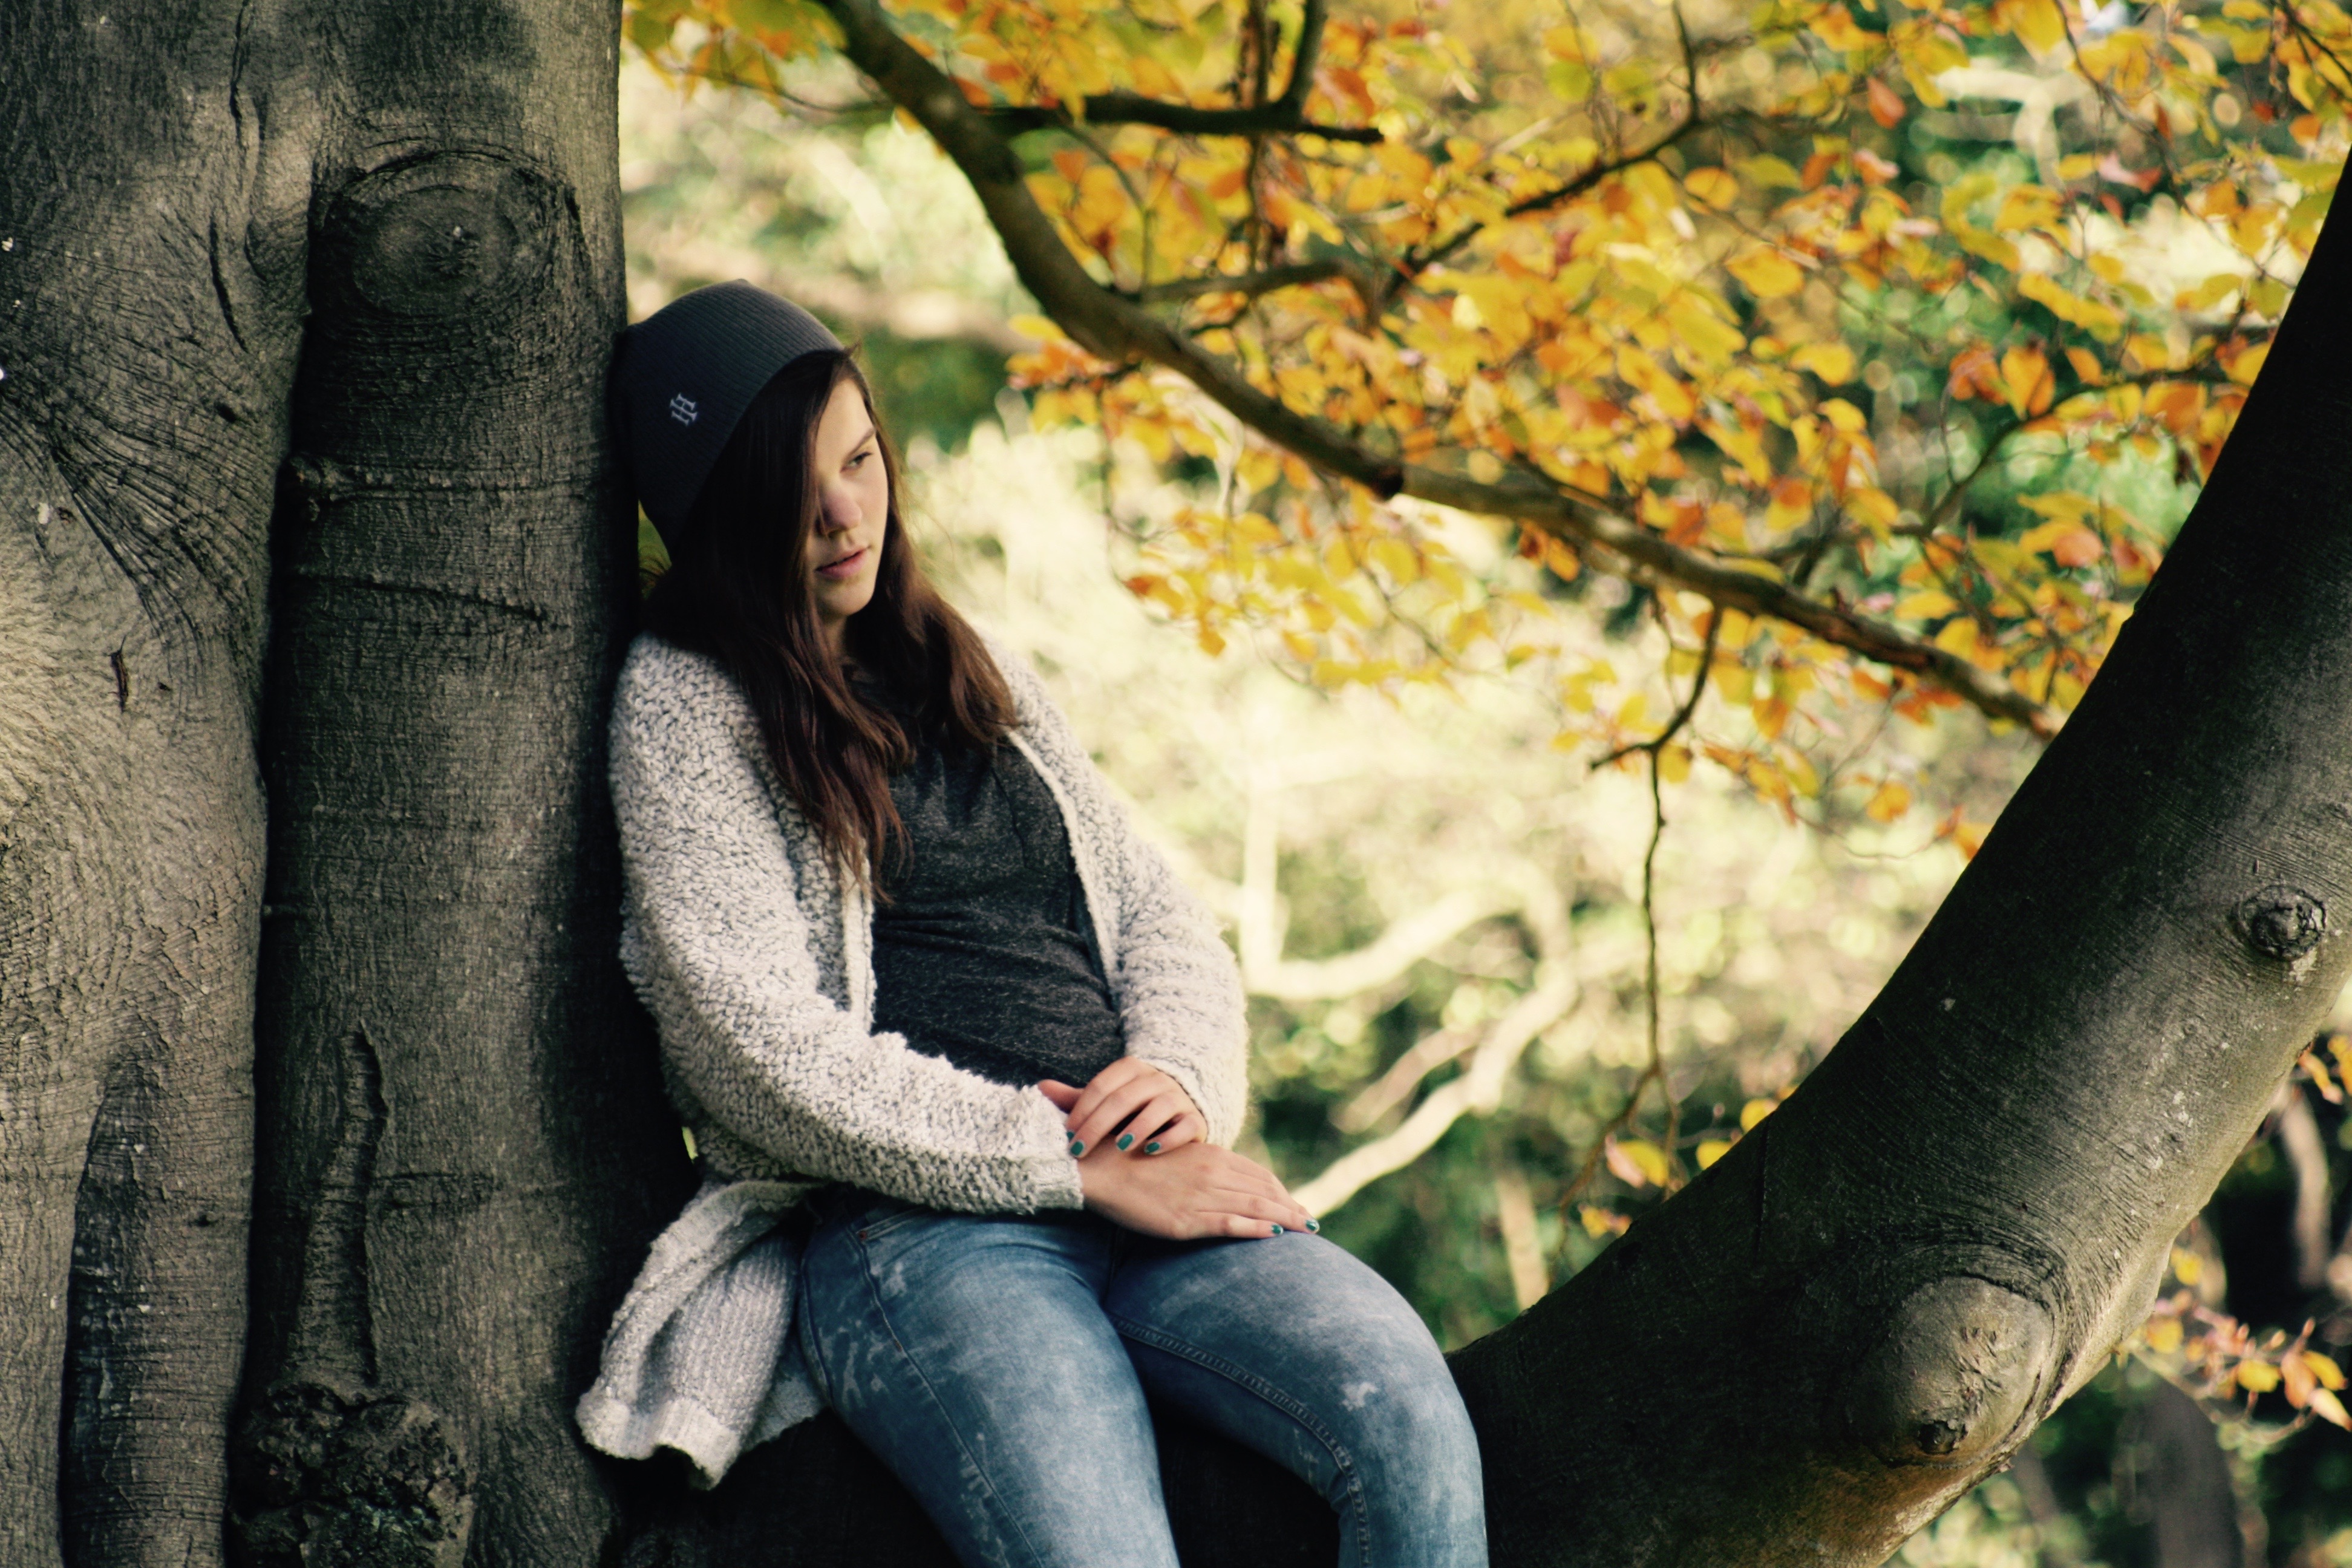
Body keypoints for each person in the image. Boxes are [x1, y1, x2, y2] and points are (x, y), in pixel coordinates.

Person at [576, 280, 1487, 1568]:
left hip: (1149, 1187)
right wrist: (1067, 1162)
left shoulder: (967, 657)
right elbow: (754, 1048)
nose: (845, 514)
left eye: (860, 459)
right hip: (920, 1233)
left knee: (1409, 1424)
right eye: (795, 489)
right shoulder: (687, 705)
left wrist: (1177, 1079)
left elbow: (1156, 908)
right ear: (716, 513)